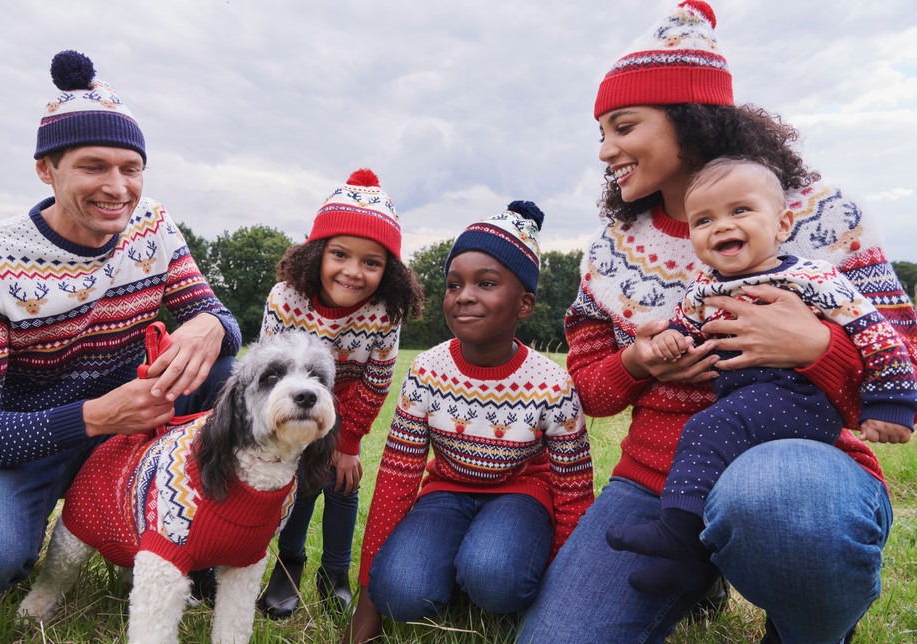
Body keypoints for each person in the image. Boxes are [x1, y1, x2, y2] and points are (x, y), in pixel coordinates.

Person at [517, 2, 917, 642]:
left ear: (689, 119)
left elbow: (904, 355)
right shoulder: (610, 252)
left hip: (797, 463)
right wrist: (636, 362)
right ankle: (697, 564)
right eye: (600, 134)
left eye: (623, 126)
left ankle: (804, 626)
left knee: (776, 506)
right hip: (656, 480)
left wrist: (815, 347)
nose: (606, 150)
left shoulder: (819, 216)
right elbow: (587, 388)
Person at [0, 50, 241, 609]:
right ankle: (23, 533)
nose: (117, 188)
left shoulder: (152, 225)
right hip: (23, 439)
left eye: (130, 168)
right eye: (93, 166)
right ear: (46, 169)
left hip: (135, 430)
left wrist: (208, 322)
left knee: (226, 376)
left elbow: (221, 322)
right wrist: (97, 415)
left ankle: (194, 544)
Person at [604, 156, 915, 596]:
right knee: (708, 442)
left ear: (783, 224)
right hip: (746, 403)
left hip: (801, 401)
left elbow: (877, 335)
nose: (721, 225)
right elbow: (684, 329)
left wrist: (893, 404)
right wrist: (667, 343)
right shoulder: (705, 290)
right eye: (704, 219)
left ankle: (677, 532)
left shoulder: (810, 277)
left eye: (740, 211)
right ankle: (691, 564)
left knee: (708, 427)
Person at [345, 201, 595, 643]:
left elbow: (574, 494)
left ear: (524, 304)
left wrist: (563, 595)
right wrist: (369, 597)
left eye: (486, 283)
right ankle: (455, 571)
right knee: (401, 594)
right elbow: (397, 478)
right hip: (446, 492)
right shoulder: (426, 371)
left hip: (522, 495)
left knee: (496, 577)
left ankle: (483, 572)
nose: (464, 295)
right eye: (453, 284)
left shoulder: (554, 385)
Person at [257, 168, 424, 618]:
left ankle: (336, 575)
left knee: (342, 481)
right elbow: (267, 369)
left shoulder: (385, 311)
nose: (353, 272)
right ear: (317, 254)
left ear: (388, 272)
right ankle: (287, 567)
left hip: (344, 405)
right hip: (292, 403)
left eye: (372, 262)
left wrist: (346, 445)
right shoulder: (286, 297)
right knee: (300, 480)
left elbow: (377, 379)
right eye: (340, 255)